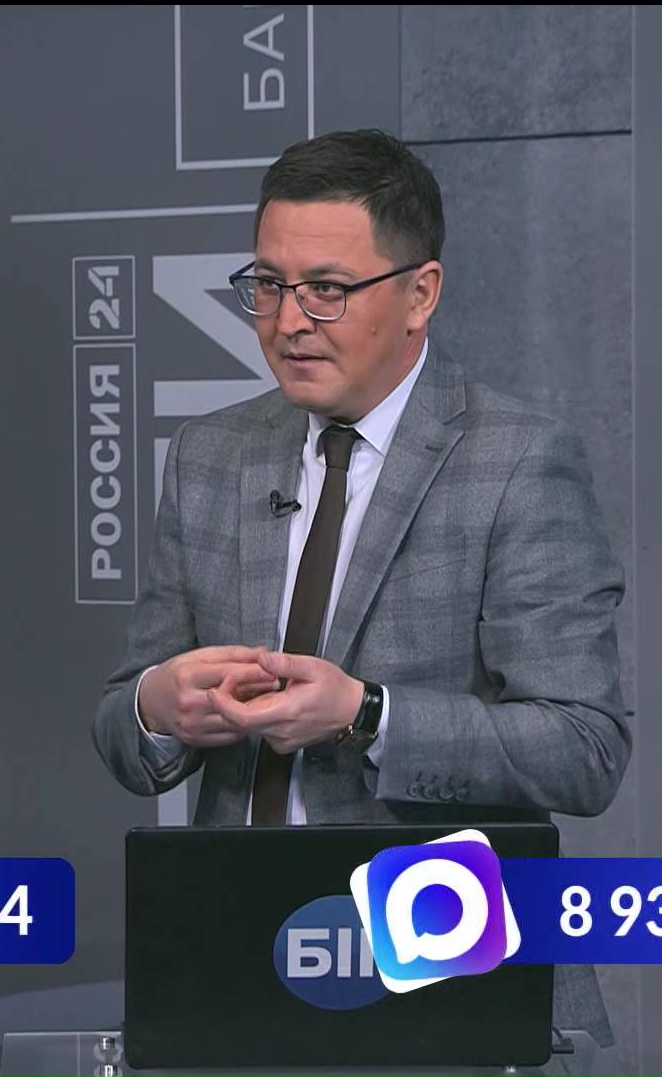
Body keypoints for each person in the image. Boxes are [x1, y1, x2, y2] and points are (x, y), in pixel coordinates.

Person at [90, 128, 629, 1058]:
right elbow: (122, 728)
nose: (289, 321)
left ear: (420, 294)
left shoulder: (518, 461)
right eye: (268, 285)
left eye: (327, 290)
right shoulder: (209, 457)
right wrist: (157, 706)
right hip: (233, 970)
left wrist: (367, 714)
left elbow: (585, 752)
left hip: (442, 980)